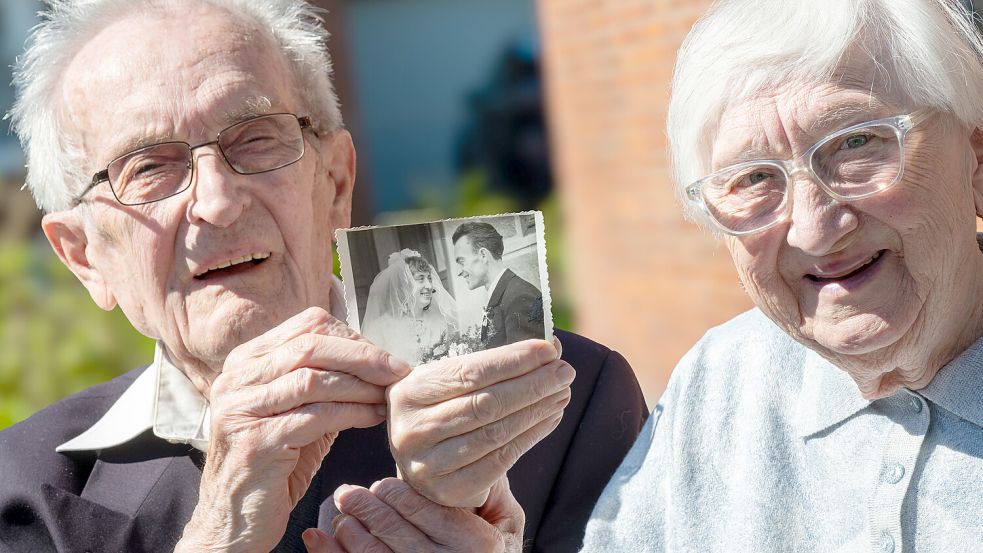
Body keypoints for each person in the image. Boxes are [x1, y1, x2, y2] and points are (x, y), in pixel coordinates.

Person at [316, 0, 983, 551]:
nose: (812, 227)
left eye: (856, 143)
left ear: (974, 158)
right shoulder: (718, 380)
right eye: (752, 178)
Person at [0, 1, 647, 551]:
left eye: (255, 138)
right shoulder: (27, 487)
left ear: (334, 182)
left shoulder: (558, 400)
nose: (218, 201)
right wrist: (220, 531)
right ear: (85, 255)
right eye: (149, 167)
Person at [452, 221, 545, 348]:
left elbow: (522, 363)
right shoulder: (503, 294)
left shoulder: (519, 299)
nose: (458, 272)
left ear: (483, 255)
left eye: (461, 261)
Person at [361, 249, 458, 365]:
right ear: (404, 285)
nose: (429, 285)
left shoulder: (439, 320)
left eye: (429, 279)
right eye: (421, 279)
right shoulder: (378, 328)